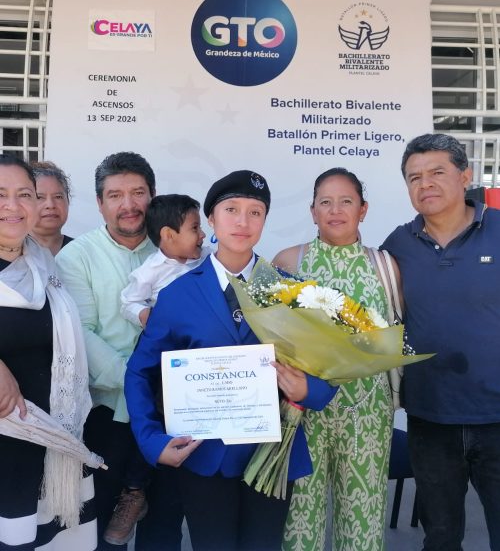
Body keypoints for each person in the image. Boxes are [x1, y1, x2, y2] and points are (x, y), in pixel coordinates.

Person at [125, 169, 338, 551]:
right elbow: (140, 371)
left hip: (273, 455)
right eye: (231, 209)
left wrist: (312, 390)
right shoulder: (178, 295)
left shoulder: (291, 291)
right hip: (205, 456)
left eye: (255, 212)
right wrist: (151, 440)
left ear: (265, 221)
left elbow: (328, 367)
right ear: (210, 219)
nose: (243, 221)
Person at [56, 152, 183, 551]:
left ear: (153, 195)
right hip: (107, 413)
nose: (128, 205)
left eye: (137, 193)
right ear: (99, 204)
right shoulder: (76, 258)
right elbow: (83, 335)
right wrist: (140, 386)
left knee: (163, 525)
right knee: (105, 527)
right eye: (115, 195)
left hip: (173, 410)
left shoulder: (177, 250)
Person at [382, 133, 500, 551]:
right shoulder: (397, 246)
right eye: (414, 177)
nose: (425, 184)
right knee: (442, 535)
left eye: (436, 172)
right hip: (431, 418)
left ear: (465, 175)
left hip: (497, 416)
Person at [273, 167, 397, 551]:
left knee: (362, 520)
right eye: (325, 202)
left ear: (363, 210)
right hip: (302, 411)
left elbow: (396, 336)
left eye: (346, 201)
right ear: (312, 211)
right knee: (298, 522)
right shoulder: (290, 261)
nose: (335, 210)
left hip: (367, 414)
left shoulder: (386, 266)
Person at [0, 155, 96, 550]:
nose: (13, 205)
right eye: (0, 195)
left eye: (25, 194)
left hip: (51, 439)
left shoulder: (44, 265)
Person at [121, 193, 208, 328]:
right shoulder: (149, 271)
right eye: (195, 228)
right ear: (168, 235)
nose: (203, 235)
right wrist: (145, 315)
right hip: (174, 339)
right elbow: (128, 304)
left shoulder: (211, 257)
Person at [31, 160, 73, 255]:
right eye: (39, 197)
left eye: (58, 197)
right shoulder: (9, 253)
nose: (50, 205)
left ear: (68, 201)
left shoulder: (82, 251)